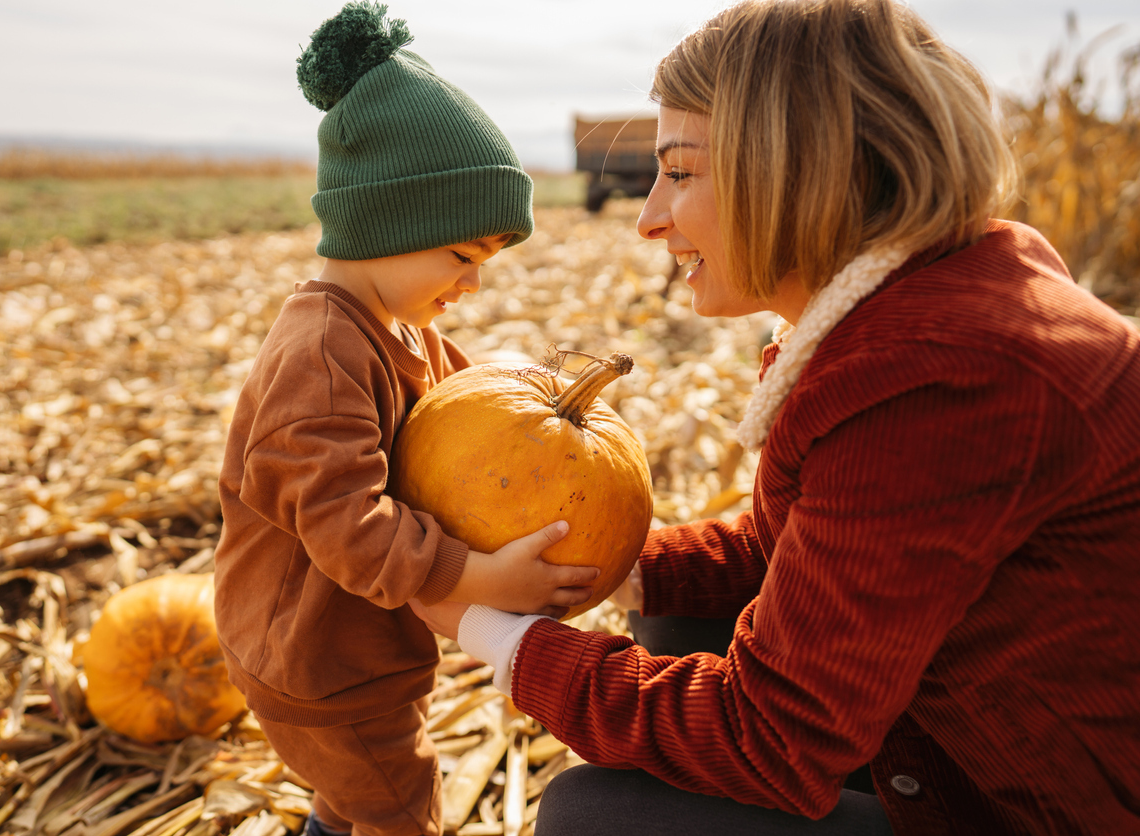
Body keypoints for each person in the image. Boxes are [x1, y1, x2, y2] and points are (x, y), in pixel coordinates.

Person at [410, 0, 1140, 833]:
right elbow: (790, 549)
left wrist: (483, 626)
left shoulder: (939, 379)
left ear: (796, 168)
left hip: (1054, 810)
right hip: (987, 738)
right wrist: (593, 565)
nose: (649, 219)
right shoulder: (934, 296)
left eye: (679, 174)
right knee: (674, 615)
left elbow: (771, 739)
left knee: (599, 818)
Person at [211, 4, 598, 836]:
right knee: (396, 811)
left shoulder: (402, 328)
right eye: (460, 257)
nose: (473, 285)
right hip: (315, 660)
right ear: (386, 222)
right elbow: (349, 527)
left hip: (353, 648)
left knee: (356, 803)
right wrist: (476, 581)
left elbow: (470, 416)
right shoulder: (319, 356)